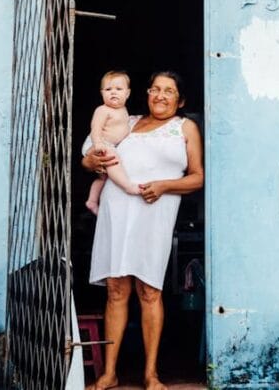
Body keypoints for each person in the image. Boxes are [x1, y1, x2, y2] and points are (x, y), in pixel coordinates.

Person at [82, 71, 204, 390]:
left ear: (181, 99)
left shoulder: (185, 127)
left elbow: (197, 177)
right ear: (146, 93)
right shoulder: (129, 122)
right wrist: (93, 160)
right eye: (155, 89)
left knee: (149, 291)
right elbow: (90, 157)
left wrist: (164, 185)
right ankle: (110, 373)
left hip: (155, 213)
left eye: (169, 91)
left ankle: (151, 374)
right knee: (116, 290)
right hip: (117, 210)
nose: (160, 96)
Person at [85, 70, 140, 214]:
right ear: (102, 93)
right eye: (108, 89)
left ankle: (92, 201)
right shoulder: (103, 110)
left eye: (118, 89)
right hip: (98, 143)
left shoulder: (123, 110)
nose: (113, 93)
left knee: (102, 178)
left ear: (127, 93)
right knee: (113, 160)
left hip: (109, 144)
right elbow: (95, 128)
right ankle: (127, 186)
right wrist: (98, 143)